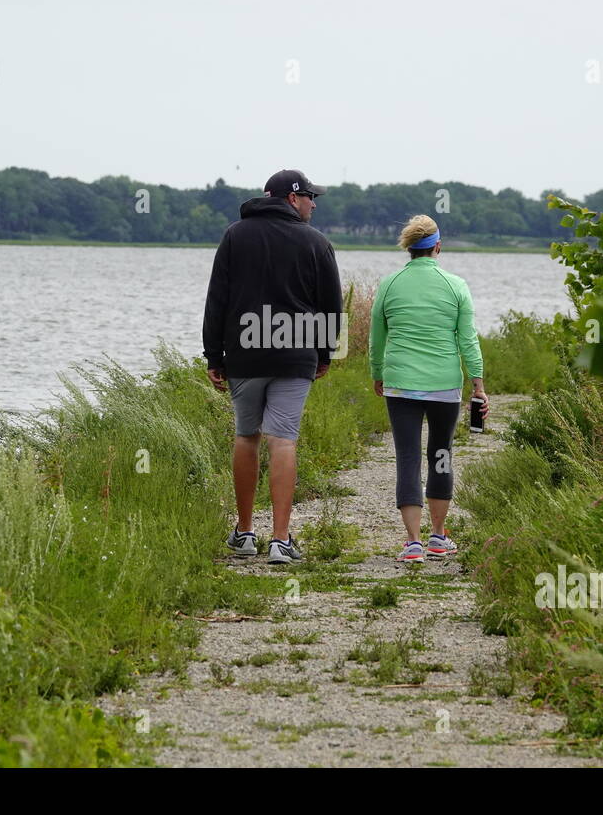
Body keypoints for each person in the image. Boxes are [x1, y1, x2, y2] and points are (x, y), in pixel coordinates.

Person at [203, 169, 342, 564]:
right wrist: (324, 353)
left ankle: (245, 533)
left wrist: (213, 355)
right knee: (283, 439)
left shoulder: (235, 235)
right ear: (291, 198)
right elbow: (331, 303)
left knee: (247, 436)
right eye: (310, 197)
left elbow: (218, 298)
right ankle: (281, 541)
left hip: (246, 351)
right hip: (295, 352)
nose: (314, 204)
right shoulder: (316, 242)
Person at [369, 214, 488, 562]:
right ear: (437, 246)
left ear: (409, 248)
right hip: (444, 385)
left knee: (407, 457)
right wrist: (478, 384)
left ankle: (413, 542)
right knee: (440, 454)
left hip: (400, 383)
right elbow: (468, 340)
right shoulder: (456, 286)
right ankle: (438, 537)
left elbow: (378, 339)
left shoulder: (390, 285)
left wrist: (378, 374)